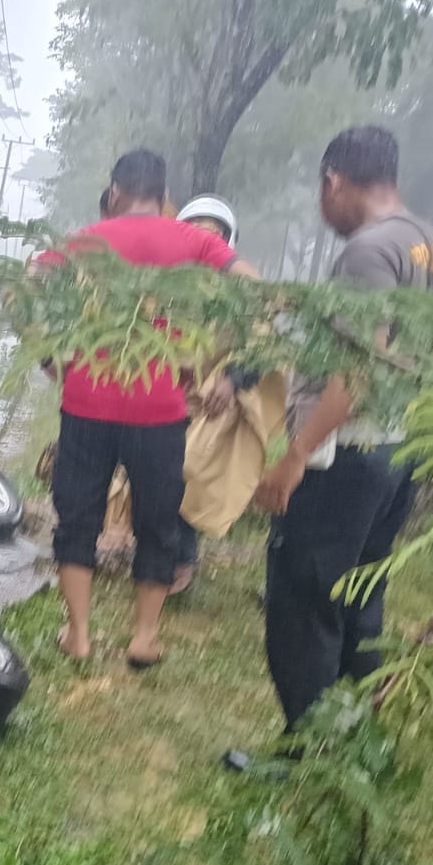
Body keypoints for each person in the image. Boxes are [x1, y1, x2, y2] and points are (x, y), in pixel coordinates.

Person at [253, 126, 433, 730]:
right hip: (399, 447)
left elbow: (356, 368)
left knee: (305, 599)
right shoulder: (432, 245)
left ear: (333, 180)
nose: (323, 208)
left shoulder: (368, 250)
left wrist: (296, 453)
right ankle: (352, 737)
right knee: (362, 593)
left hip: (349, 450)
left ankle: (305, 758)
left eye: (322, 192)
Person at [39, 149, 249, 667]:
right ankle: (144, 638)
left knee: (77, 518)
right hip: (159, 408)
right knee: (158, 521)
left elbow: (29, 284)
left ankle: (80, 634)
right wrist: (201, 357)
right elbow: (253, 287)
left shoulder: (84, 240)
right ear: (162, 195)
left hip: (86, 400)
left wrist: (51, 355)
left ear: (114, 193)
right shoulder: (194, 240)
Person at [171, 195, 244, 592]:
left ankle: (183, 560)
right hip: (167, 397)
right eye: (196, 233)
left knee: (189, 471)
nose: (204, 241)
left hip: (212, 403)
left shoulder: (238, 295)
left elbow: (259, 345)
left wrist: (231, 379)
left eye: (213, 235)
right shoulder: (167, 288)